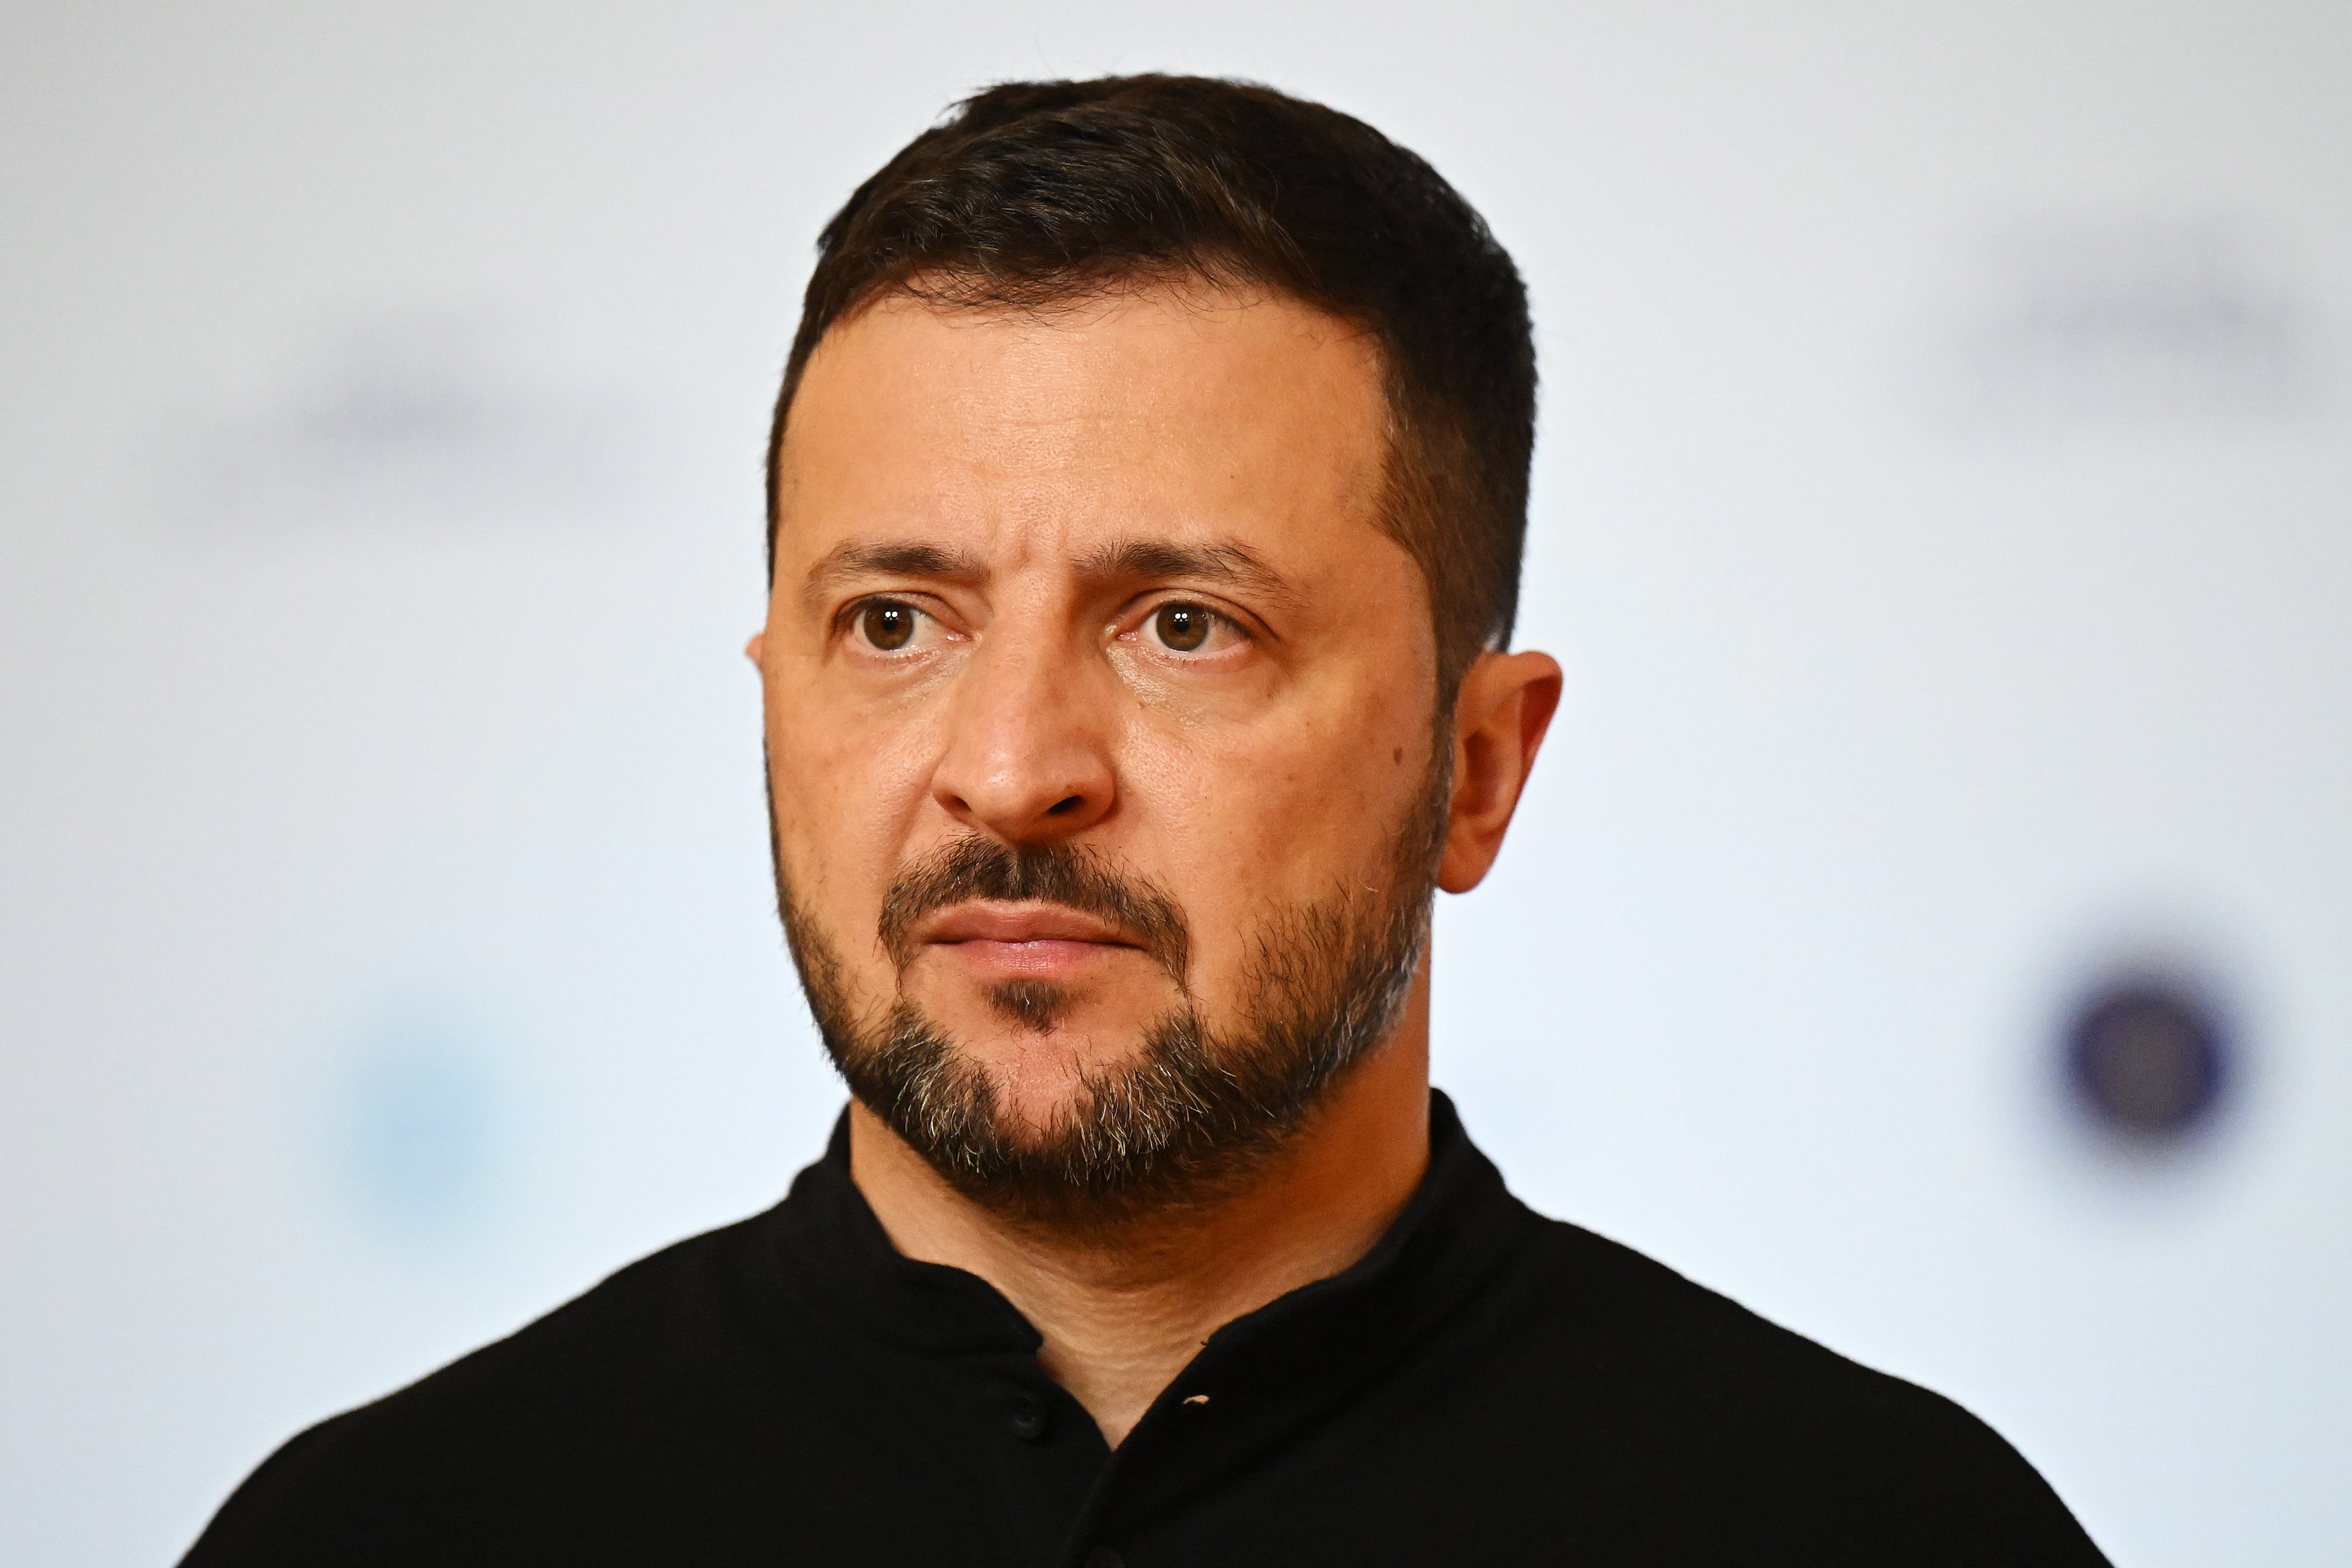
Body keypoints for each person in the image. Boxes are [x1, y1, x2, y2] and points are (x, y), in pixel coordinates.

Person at [183, 74, 2109, 1566]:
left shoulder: (1881, 1534)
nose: (1012, 767)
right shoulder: (388, 1536)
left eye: (1184, 625)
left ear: (1478, 768)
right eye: (897, 622)